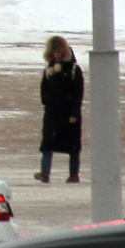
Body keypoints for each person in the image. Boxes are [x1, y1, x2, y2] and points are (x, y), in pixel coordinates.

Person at [37, 35, 84, 183]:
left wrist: (74, 113)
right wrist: (47, 101)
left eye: (59, 52)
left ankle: (74, 174)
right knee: (47, 142)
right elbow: (44, 87)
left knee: (72, 144)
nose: (57, 55)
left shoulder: (74, 69)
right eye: (54, 52)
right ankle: (45, 172)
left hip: (69, 112)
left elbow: (78, 93)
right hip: (52, 112)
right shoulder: (49, 69)